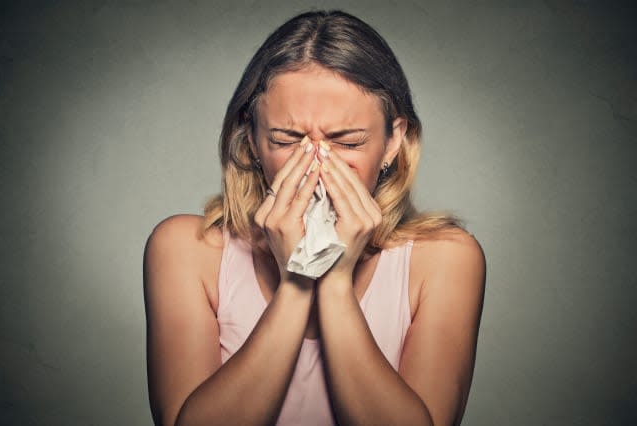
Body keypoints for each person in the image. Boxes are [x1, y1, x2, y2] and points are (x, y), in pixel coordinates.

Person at [143, 9, 486, 426]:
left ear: (393, 141)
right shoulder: (186, 249)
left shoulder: (446, 259)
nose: (316, 166)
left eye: (348, 142)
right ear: (251, 140)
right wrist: (297, 281)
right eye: (287, 140)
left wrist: (337, 282)